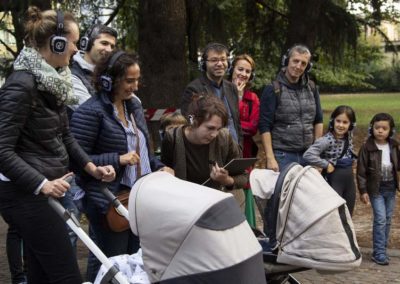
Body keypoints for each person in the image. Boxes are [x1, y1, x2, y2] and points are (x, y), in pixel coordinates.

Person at [0, 6, 116, 284]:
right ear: (57, 42)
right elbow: (2, 149)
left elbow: (65, 136)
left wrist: (91, 168)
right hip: (23, 194)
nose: (77, 48)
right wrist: (42, 183)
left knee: (42, 274)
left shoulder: (53, 82)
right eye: (74, 42)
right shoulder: (22, 84)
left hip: (42, 190)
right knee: (66, 274)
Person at [70, 50, 174, 282]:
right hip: (108, 200)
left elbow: (142, 152)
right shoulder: (90, 111)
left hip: (138, 199)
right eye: (129, 81)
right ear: (109, 79)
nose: (135, 86)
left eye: (137, 80)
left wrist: (159, 167)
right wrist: (117, 159)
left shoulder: (133, 107)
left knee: (134, 261)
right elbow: (76, 159)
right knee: (113, 263)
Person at [61, 23, 118, 257]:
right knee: (71, 227)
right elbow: (92, 111)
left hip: (96, 161)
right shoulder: (71, 75)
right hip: (72, 163)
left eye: (113, 46)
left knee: (98, 232)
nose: (108, 49)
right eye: (103, 43)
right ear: (86, 43)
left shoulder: (107, 78)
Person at [162, 95, 246, 203]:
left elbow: (243, 177)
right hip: (185, 204)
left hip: (218, 204)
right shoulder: (172, 138)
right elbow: (165, 177)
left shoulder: (224, 137)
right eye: (210, 128)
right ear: (194, 121)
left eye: (219, 129)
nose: (214, 134)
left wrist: (226, 180)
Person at [259, 44, 323, 172]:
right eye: (295, 61)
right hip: (283, 156)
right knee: (284, 192)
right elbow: (264, 125)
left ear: (308, 66)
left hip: (308, 155)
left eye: (303, 63)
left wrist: (317, 154)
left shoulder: (312, 87)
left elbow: (318, 120)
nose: (298, 66)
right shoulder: (273, 89)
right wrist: (270, 158)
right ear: (287, 61)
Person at [357, 113, 399, 266]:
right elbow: (361, 171)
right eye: (377, 127)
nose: (380, 131)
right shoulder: (367, 147)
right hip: (376, 189)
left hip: (391, 188)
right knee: (380, 219)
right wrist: (363, 191)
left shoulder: (394, 146)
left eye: (384, 128)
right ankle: (378, 252)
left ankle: (382, 249)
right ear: (371, 128)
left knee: (387, 220)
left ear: (391, 130)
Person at [181, 42, 243, 146]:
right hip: (209, 151)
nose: (219, 64)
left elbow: (236, 122)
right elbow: (190, 125)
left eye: (223, 59)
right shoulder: (194, 89)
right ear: (204, 64)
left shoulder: (232, 88)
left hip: (234, 151)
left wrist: (240, 147)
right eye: (214, 60)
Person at [303, 105, 357, 215]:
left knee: (348, 214)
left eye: (345, 122)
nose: (341, 125)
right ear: (332, 121)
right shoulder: (326, 140)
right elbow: (308, 155)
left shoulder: (348, 136)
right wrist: (326, 164)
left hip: (349, 182)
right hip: (334, 181)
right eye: (338, 121)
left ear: (351, 125)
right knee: (335, 214)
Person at [229, 54, 260, 227]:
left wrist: (239, 99)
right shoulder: (221, 92)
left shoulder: (252, 99)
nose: (243, 74)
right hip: (224, 153)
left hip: (244, 154)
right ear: (232, 70)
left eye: (247, 71)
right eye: (240, 69)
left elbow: (251, 128)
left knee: (243, 188)